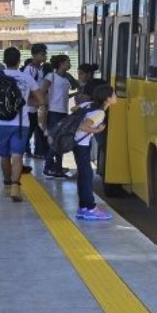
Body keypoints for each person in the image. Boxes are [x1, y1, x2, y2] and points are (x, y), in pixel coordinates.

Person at [0, 46, 45, 202]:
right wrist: (26, 102)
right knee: (17, 157)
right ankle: (15, 186)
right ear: (19, 60)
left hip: (0, 123)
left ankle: (7, 185)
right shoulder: (27, 78)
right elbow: (41, 101)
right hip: (21, 124)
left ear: (4, 61)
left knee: (4, 156)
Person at [74, 84, 116, 221]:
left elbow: (73, 108)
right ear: (107, 99)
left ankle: (83, 207)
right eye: (113, 94)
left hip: (76, 143)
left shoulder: (88, 104)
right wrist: (98, 130)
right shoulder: (100, 113)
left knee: (83, 175)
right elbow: (84, 127)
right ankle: (91, 208)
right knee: (87, 176)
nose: (115, 97)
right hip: (82, 145)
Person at [41, 54, 73, 178]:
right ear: (60, 64)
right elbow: (42, 92)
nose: (69, 64)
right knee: (55, 142)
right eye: (67, 62)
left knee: (61, 141)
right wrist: (44, 106)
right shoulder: (51, 76)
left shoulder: (66, 79)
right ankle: (48, 167)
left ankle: (58, 168)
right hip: (54, 112)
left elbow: (63, 95)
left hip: (63, 112)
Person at [23, 44, 48, 159]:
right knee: (29, 131)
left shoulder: (40, 68)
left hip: (38, 106)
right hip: (30, 108)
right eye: (42, 54)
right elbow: (26, 87)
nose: (44, 56)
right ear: (34, 55)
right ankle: (20, 151)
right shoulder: (30, 69)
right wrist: (33, 102)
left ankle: (38, 152)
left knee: (38, 130)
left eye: (45, 54)